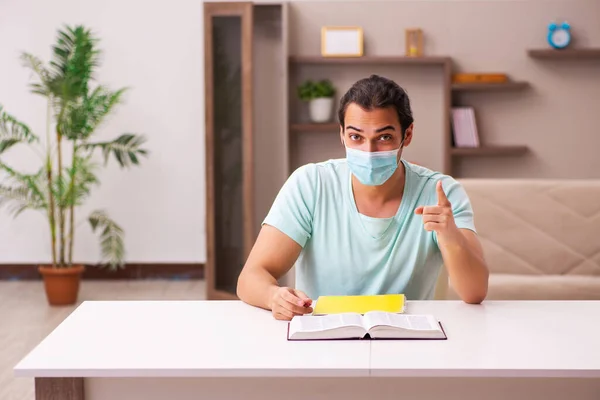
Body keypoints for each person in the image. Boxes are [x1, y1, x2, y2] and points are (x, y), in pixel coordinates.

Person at [237, 74, 489, 321]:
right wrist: (274, 297)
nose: (368, 151)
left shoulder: (441, 192)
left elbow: (475, 292)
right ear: (342, 134)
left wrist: (450, 235)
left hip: (409, 342)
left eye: (384, 137)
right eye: (356, 137)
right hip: (323, 340)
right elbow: (251, 277)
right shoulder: (310, 184)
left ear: (407, 135)